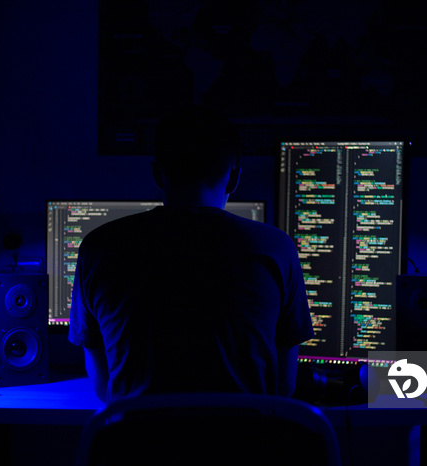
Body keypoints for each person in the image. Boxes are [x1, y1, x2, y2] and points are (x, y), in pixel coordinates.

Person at [69, 106, 314, 403]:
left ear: (158, 175)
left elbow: (104, 386)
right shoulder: (277, 248)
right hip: (247, 446)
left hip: (136, 447)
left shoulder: (98, 247)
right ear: (235, 177)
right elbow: (283, 386)